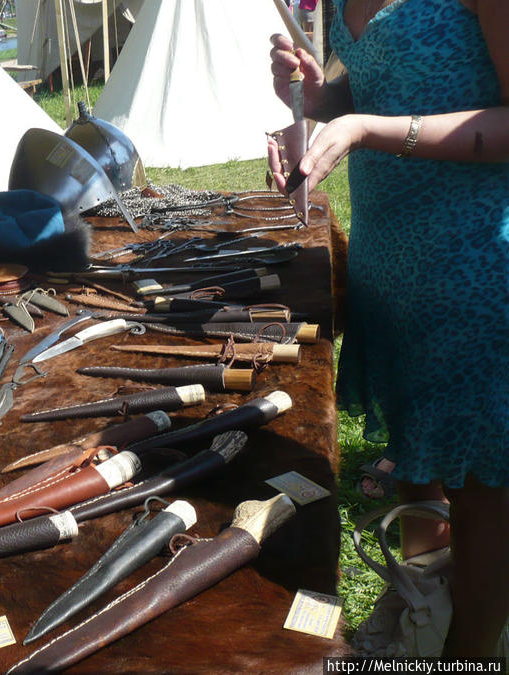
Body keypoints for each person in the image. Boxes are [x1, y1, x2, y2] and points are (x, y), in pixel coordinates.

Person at [268, 0, 509, 658]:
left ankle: (467, 657)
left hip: (473, 266)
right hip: (390, 257)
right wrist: (325, 97)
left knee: (481, 492)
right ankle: (426, 604)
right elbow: (392, 83)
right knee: (416, 447)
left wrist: (371, 130)